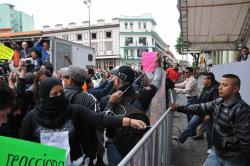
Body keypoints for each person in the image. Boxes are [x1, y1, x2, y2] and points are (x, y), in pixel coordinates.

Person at [20, 78, 146, 165]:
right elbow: (24, 148)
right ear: (45, 96)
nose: (59, 96)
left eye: (61, 92)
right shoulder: (31, 118)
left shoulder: (74, 111)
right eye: (54, 94)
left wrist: (129, 121)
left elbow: (100, 119)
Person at [171, 74, 250, 165]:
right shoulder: (219, 102)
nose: (220, 88)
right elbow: (200, 107)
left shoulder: (242, 110)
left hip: (233, 158)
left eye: (225, 85)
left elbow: (246, 141)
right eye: (220, 84)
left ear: (235, 89)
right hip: (216, 152)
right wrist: (178, 108)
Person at [103, 54, 163, 166]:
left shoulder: (107, 98)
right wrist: (158, 65)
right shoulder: (142, 94)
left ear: (117, 81)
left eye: (113, 78)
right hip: (137, 148)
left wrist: (111, 103)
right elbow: (156, 83)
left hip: (114, 147)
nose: (112, 80)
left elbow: (102, 120)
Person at [172, 72, 219, 154]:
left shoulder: (215, 89)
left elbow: (215, 104)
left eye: (204, 79)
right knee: (191, 124)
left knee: (209, 131)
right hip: (201, 111)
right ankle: (181, 138)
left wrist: (209, 114)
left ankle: (211, 149)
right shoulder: (206, 87)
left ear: (209, 80)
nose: (202, 80)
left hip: (208, 114)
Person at [62, 65, 100, 165]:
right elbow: (97, 124)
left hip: (61, 148)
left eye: (64, 77)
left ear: (69, 80)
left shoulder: (56, 96)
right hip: (85, 151)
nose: (63, 80)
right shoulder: (90, 98)